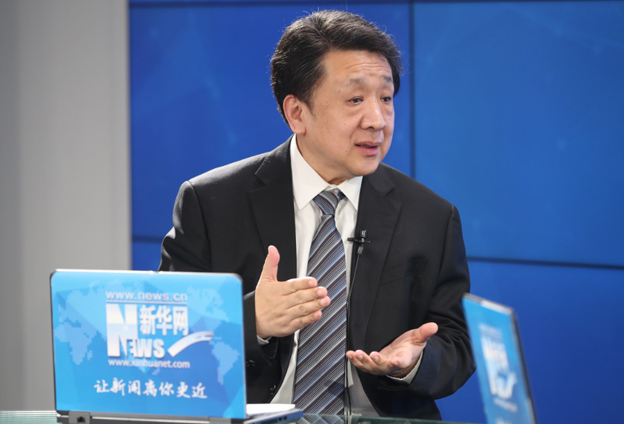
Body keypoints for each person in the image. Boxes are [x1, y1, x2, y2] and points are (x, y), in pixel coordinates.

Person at [159, 10, 475, 420]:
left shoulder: (431, 216)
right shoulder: (211, 202)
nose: (377, 120)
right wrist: (251, 320)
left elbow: (458, 341)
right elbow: (170, 335)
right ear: (297, 113)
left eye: (385, 98)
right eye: (355, 99)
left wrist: (414, 362)